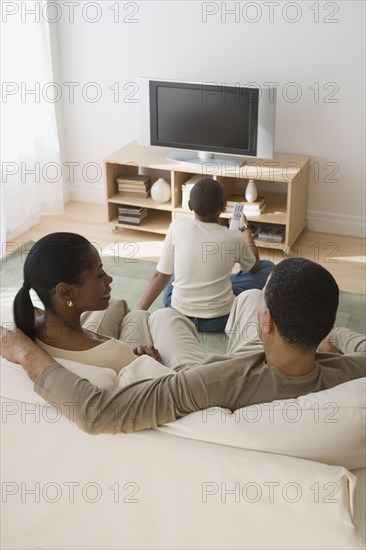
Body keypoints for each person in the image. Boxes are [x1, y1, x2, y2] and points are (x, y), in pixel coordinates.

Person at [1, 258, 364, 434]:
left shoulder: (214, 383)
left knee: (163, 317)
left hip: (199, 368)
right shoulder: (352, 372)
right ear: (327, 323)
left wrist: (27, 353)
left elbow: (98, 413)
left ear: (266, 322)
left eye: (262, 311)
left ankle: (133, 316)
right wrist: (333, 340)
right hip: (290, 352)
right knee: (248, 294)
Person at [12, 232, 163, 373]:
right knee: (158, 315)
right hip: (121, 359)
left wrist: (134, 353)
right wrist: (142, 360)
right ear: (65, 292)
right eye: (99, 275)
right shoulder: (119, 355)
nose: (109, 279)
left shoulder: (29, 318)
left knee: (117, 304)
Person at [136, 178, 274, 332]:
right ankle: (219, 285)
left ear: (189, 206)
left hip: (178, 314)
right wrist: (245, 228)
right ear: (222, 206)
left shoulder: (177, 226)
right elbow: (254, 266)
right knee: (268, 268)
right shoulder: (233, 236)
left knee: (171, 274)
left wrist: (139, 311)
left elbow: (159, 276)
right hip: (220, 320)